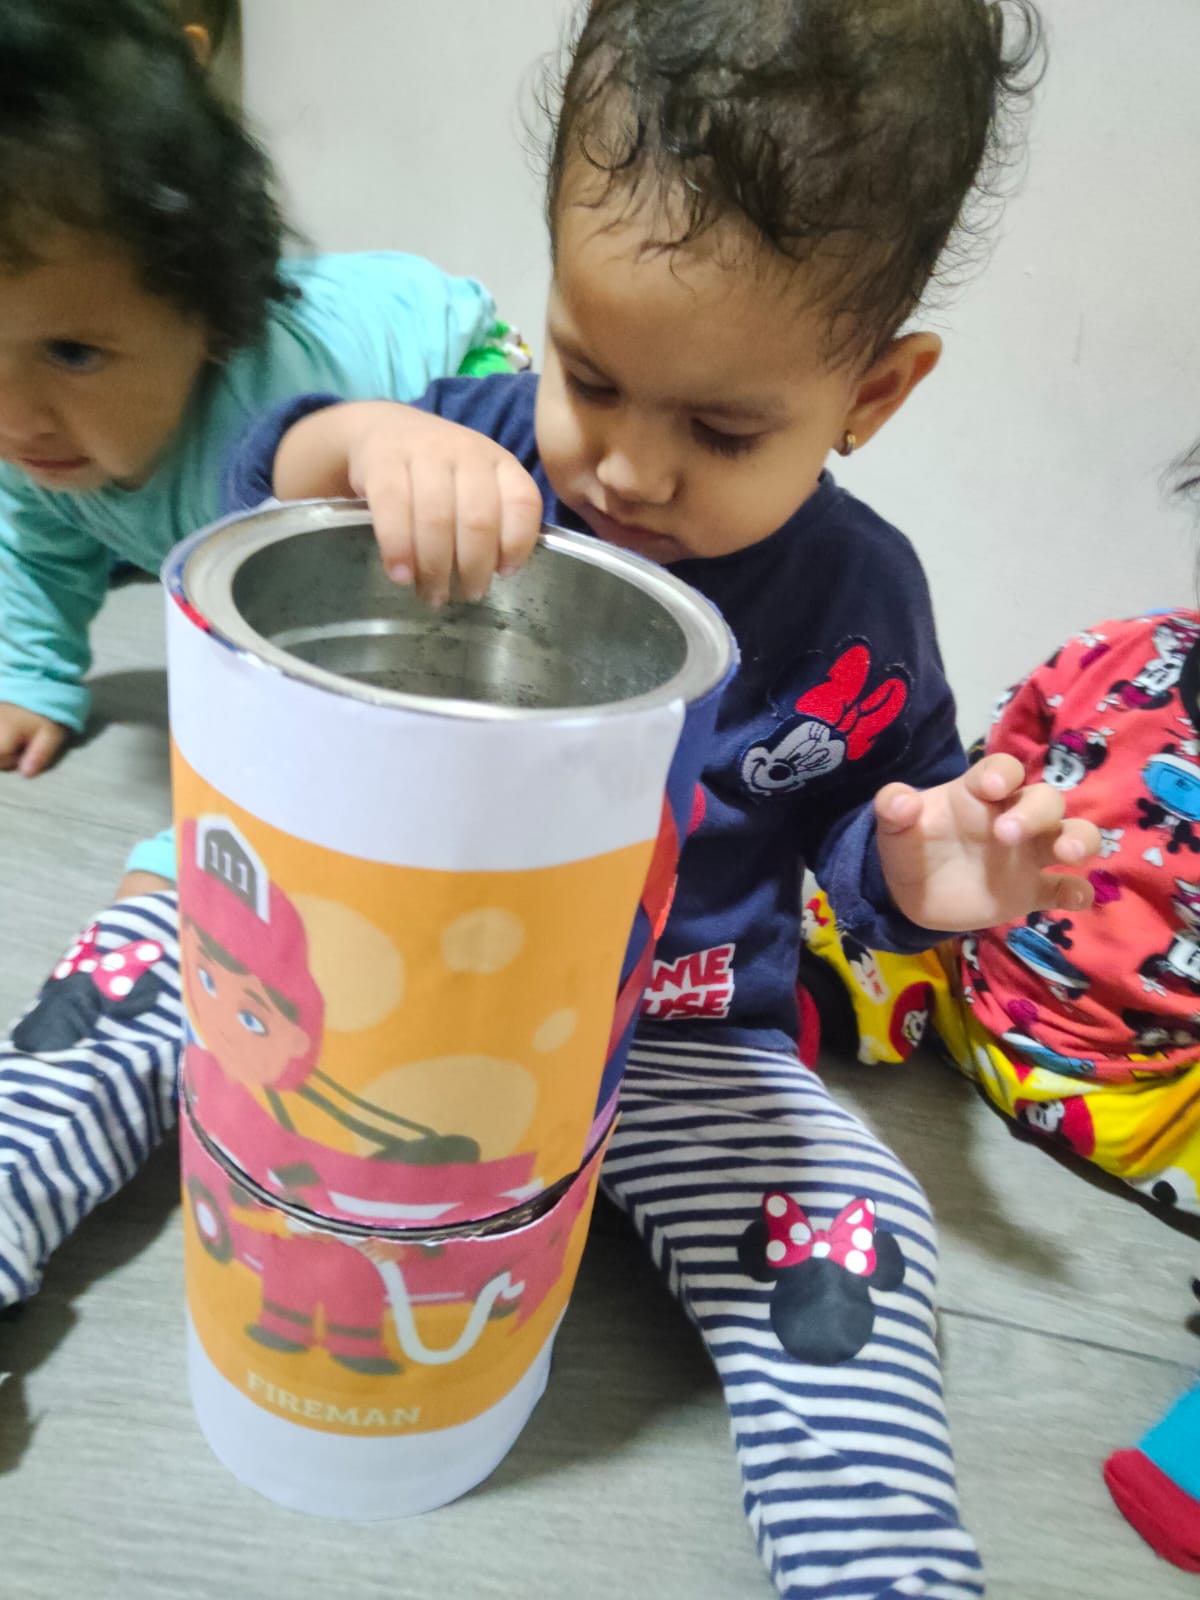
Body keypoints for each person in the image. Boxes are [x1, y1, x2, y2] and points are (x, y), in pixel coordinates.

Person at [3, 3, 1101, 1595]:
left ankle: (879, 1561)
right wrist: (355, 443)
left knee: (858, 1224)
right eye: (593, 376)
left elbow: (875, 831)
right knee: (108, 997)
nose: (631, 472)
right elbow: (253, 495)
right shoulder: (476, 451)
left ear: (874, 392)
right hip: (317, 960)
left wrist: (928, 877)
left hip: (671, 1021)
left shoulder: (861, 599)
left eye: (723, 428)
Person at [0, 0, 508, 783]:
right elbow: (36, 552)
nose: (14, 418)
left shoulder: (267, 431)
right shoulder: (35, 431)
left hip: (461, 363)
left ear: (208, 318)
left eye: (71, 352)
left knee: (465, 544)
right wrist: (28, 679)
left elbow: (319, 658)